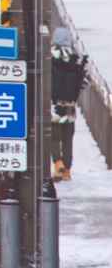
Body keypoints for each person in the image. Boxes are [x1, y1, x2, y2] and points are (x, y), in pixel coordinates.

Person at [50, 26, 89, 180]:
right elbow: (84, 83)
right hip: (70, 108)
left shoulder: (50, 57)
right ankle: (67, 171)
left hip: (54, 107)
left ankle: (58, 163)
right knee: (67, 140)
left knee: (54, 137)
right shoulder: (76, 59)